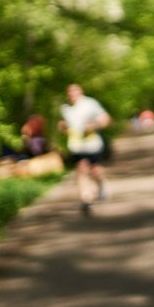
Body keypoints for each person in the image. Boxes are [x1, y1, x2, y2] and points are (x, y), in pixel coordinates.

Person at [58, 85, 111, 217]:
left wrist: (94, 125)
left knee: (95, 170)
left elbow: (105, 119)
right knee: (81, 168)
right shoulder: (66, 108)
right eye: (70, 92)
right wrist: (63, 127)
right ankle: (86, 200)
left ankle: (101, 184)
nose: (72, 94)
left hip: (92, 144)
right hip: (76, 145)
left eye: (75, 91)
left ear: (81, 92)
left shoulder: (90, 103)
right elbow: (65, 126)